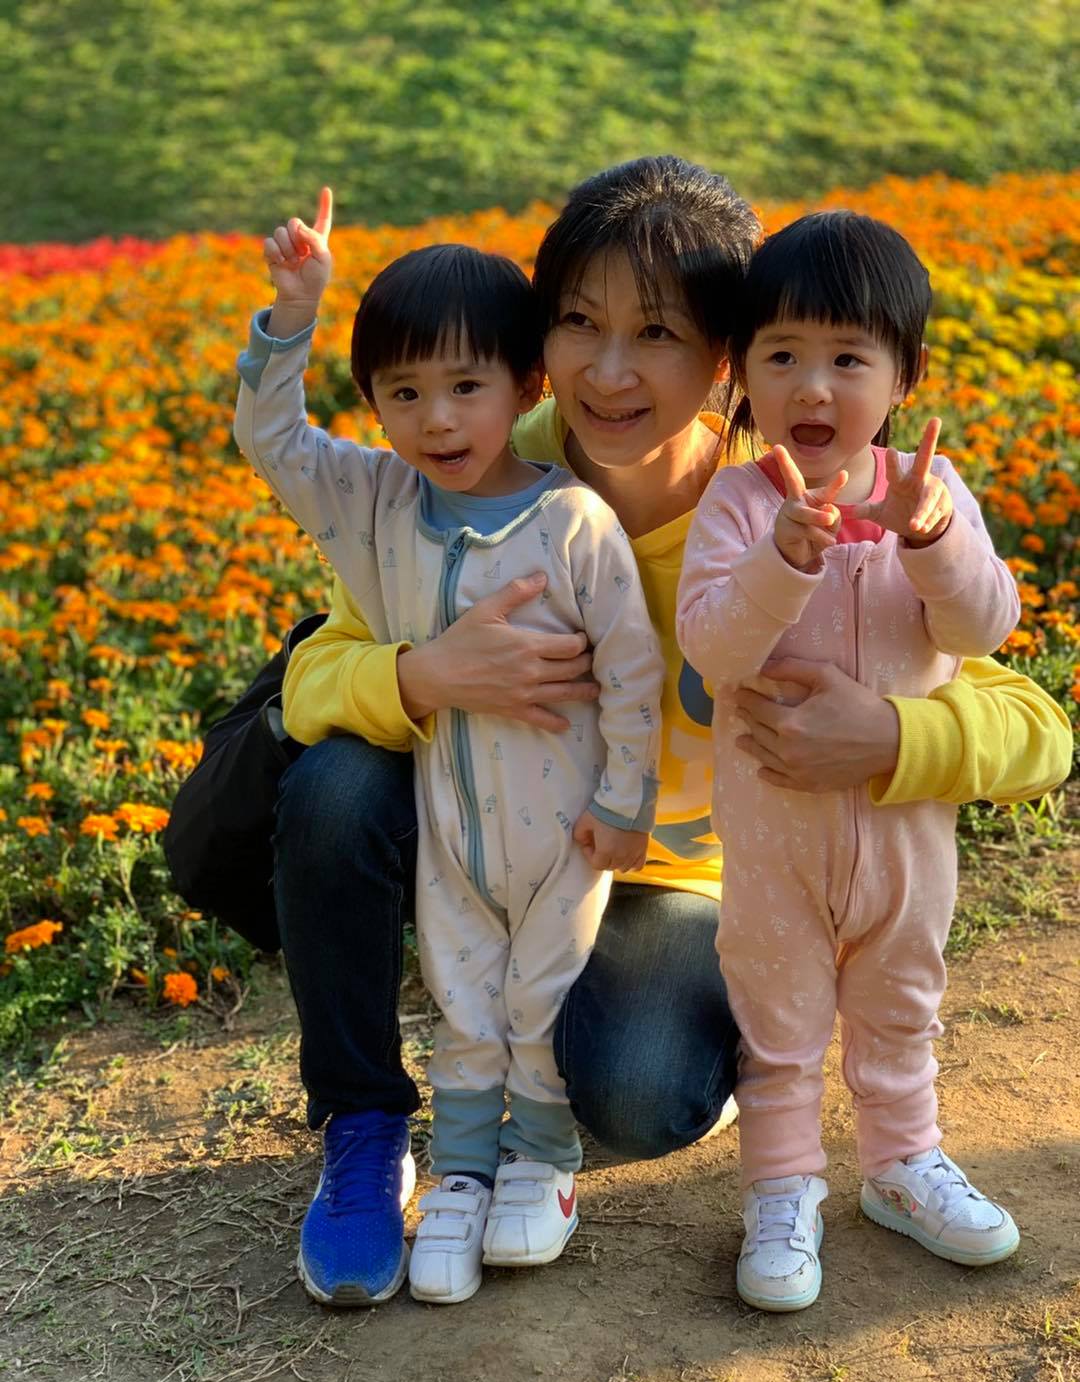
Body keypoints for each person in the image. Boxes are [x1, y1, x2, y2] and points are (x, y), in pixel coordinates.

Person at [271, 157, 1072, 1310]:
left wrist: (894, 739)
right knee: (339, 785)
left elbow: (1033, 722)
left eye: (656, 333)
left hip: (680, 882)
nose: (609, 373)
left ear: (725, 356)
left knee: (641, 1094)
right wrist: (423, 674)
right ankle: (362, 1126)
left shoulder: (784, 502)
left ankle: (669, 1046)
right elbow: (313, 676)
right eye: (579, 324)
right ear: (539, 337)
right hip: (503, 840)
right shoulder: (481, 464)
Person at [234, 189, 664, 1305]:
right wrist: (294, 313)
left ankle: (543, 1161)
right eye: (405, 393)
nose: (436, 420)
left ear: (526, 387)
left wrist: (625, 799)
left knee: (540, 992)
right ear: (374, 402)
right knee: (465, 997)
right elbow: (270, 439)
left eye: (467, 387)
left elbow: (632, 667)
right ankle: (459, 1170)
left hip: (566, 830)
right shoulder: (379, 501)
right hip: (448, 828)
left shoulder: (570, 521)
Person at [676, 210, 1024, 1313]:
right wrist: (779, 563)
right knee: (777, 1024)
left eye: (847, 359)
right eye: (781, 356)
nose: (812, 387)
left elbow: (984, 625)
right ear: (742, 372)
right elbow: (713, 647)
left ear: (903, 374)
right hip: (775, 844)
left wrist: (931, 539)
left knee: (901, 1003)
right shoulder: (739, 504)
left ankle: (902, 1163)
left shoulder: (931, 494)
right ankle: (782, 1190)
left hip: (907, 839)